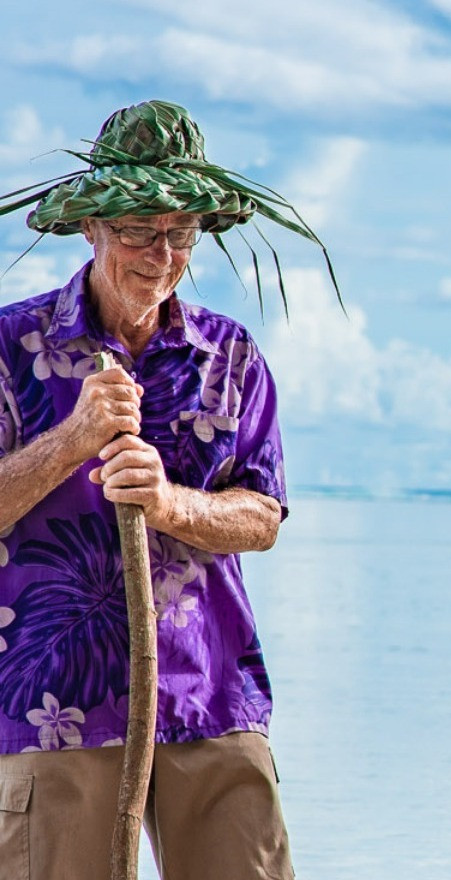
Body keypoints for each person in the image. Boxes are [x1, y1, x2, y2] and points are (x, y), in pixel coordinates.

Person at [0, 99, 334, 878]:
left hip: (210, 694)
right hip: (53, 706)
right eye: (137, 229)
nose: (159, 253)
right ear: (91, 227)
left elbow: (262, 513)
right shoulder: (11, 346)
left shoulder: (231, 356)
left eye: (179, 233)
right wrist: (71, 443)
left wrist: (170, 502)